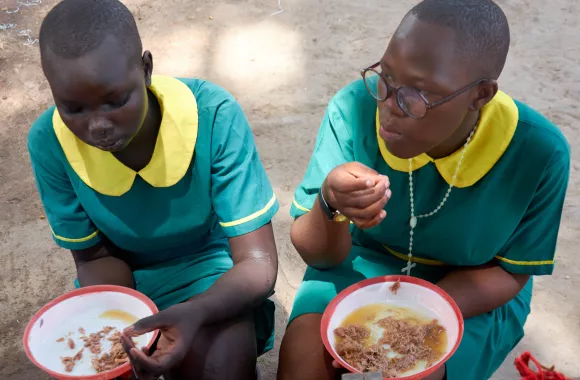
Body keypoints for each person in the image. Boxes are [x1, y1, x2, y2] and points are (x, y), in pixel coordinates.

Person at [277, 0, 569, 379]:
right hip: (366, 260)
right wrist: (330, 204)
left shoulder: (538, 152)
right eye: (386, 74)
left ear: (480, 95)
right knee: (304, 356)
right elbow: (319, 255)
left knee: (420, 372)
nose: (389, 103)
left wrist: (417, 320)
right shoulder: (355, 108)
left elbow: (511, 274)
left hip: (474, 289)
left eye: (418, 91)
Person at [29, 0, 279, 379]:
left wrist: (196, 312)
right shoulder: (50, 142)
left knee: (219, 366)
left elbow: (257, 264)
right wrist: (128, 329)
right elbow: (94, 258)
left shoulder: (212, 115)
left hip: (209, 272)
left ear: (146, 69)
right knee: (102, 364)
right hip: (122, 277)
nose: (97, 126)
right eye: (73, 108)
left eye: (116, 101)